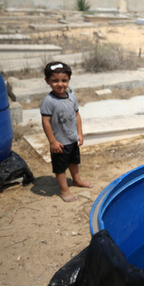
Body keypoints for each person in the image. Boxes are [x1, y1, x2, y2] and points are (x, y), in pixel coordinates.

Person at [40, 62, 92, 202]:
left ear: (69, 80)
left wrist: (79, 134)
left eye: (64, 80)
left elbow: (77, 116)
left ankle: (77, 180)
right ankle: (64, 190)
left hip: (72, 140)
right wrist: (52, 142)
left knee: (74, 162)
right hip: (60, 143)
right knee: (60, 168)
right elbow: (45, 122)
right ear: (47, 81)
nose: (60, 84)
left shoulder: (71, 97)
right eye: (55, 81)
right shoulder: (49, 101)